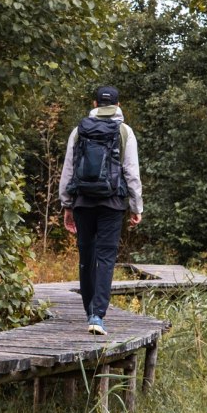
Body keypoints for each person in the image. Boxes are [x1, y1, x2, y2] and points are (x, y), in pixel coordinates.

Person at [58, 85, 143, 335]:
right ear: (118, 106)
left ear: (95, 104)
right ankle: (97, 316)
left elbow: (68, 171)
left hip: (83, 201)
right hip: (112, 203)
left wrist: (67, 205)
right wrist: (136, 206)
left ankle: (89, 311)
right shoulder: (125, 131)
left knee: (86, 258)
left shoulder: (78, 131)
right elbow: (131, 173)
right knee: (105, 258)